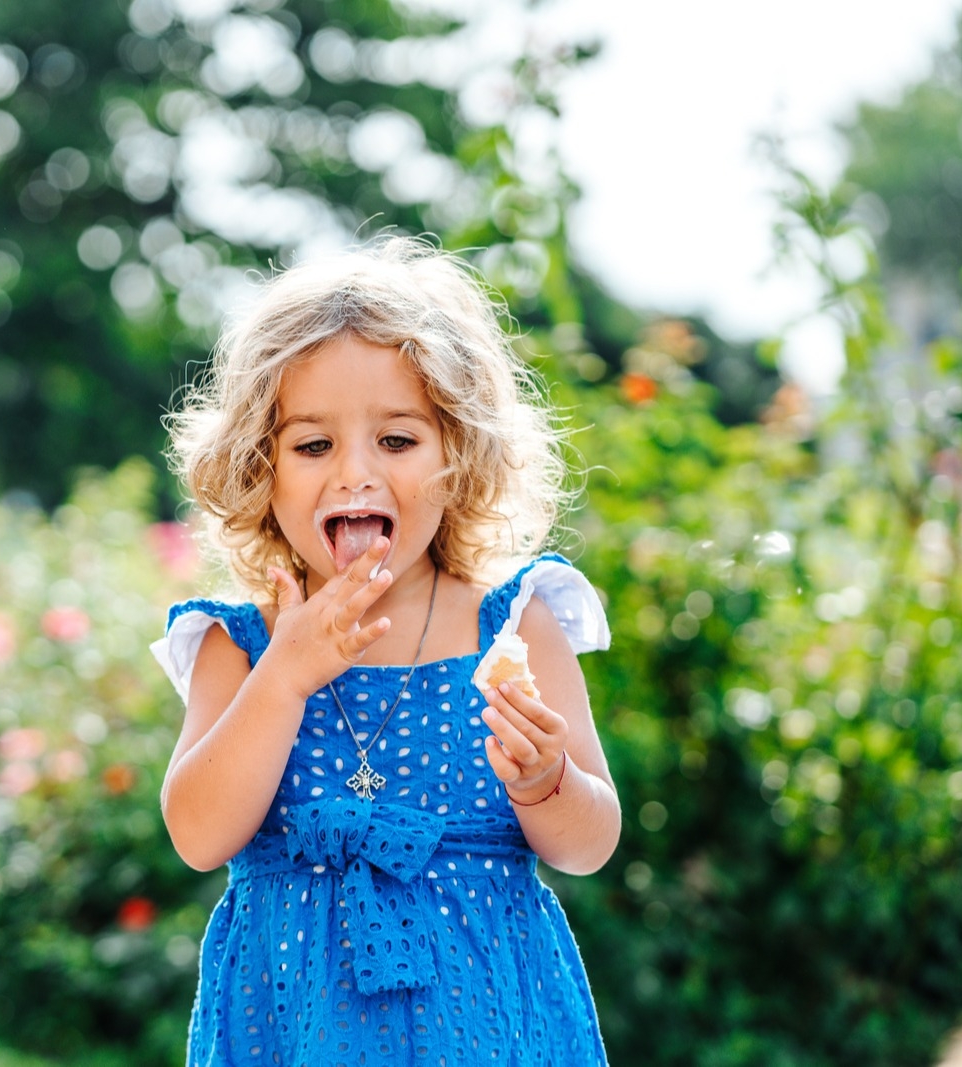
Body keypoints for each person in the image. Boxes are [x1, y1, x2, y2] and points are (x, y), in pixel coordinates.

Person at [151, 236, 621, 1065]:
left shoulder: (513, 625)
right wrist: (285, 678)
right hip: (293, 1031)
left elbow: (589, 843)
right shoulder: (243, 643)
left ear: (458, 456)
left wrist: (547, 782)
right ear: (260, 467)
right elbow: (196, 833)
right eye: (312, 444)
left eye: (397, 441)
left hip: (485, 1029)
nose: (355, 473)